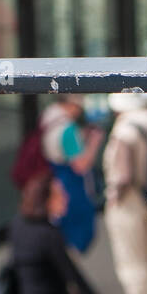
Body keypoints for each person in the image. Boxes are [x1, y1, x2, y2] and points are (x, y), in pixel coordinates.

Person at [103, 91, 147, 294]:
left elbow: (122, 175)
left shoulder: (124, 131)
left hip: (130, 202)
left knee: (133, 262)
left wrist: (112, 197)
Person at [39, 96, 103, 253]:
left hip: (56, 177)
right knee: (75, 227)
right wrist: (94, 142)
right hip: (72, 184)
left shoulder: (48, 118)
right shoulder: (67, 129)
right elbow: (80, 165)